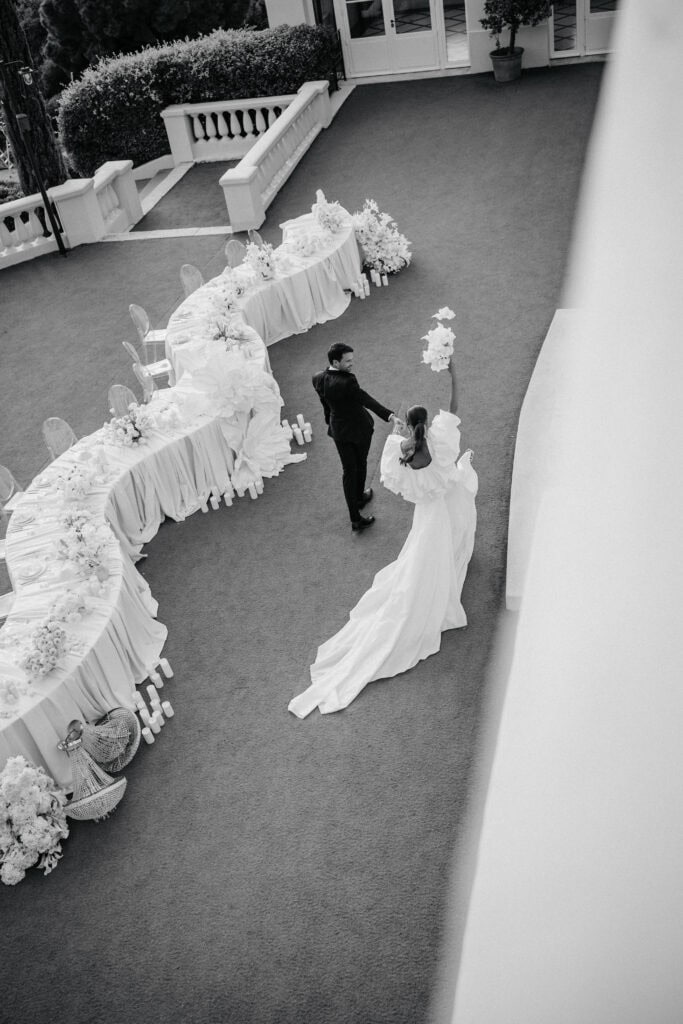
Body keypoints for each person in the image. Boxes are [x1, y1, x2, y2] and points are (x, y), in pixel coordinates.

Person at [289, 353, 477, 718]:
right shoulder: (440, 444)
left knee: (425, 552)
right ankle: (449, 575)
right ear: (428, 424)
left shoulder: (402, 455)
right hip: (449, 503)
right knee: (455, 534)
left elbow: (393, 462)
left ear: (410, 427)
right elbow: (454, 407)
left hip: (428, 514)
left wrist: (398, 433)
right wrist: (453, 372)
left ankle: (443, 575)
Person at [312, 342, 402, 531]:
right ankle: (357, 510)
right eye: (348, 361)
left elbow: (325, 404)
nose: (352, 363)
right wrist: (390, 415)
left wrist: (330, 421)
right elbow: (365, 399)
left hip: (339, 432)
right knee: (360, 464)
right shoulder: (348, 381)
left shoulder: (318, 378)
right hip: (359, 429)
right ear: (336, 362)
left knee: (348, 471)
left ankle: (357, 508)